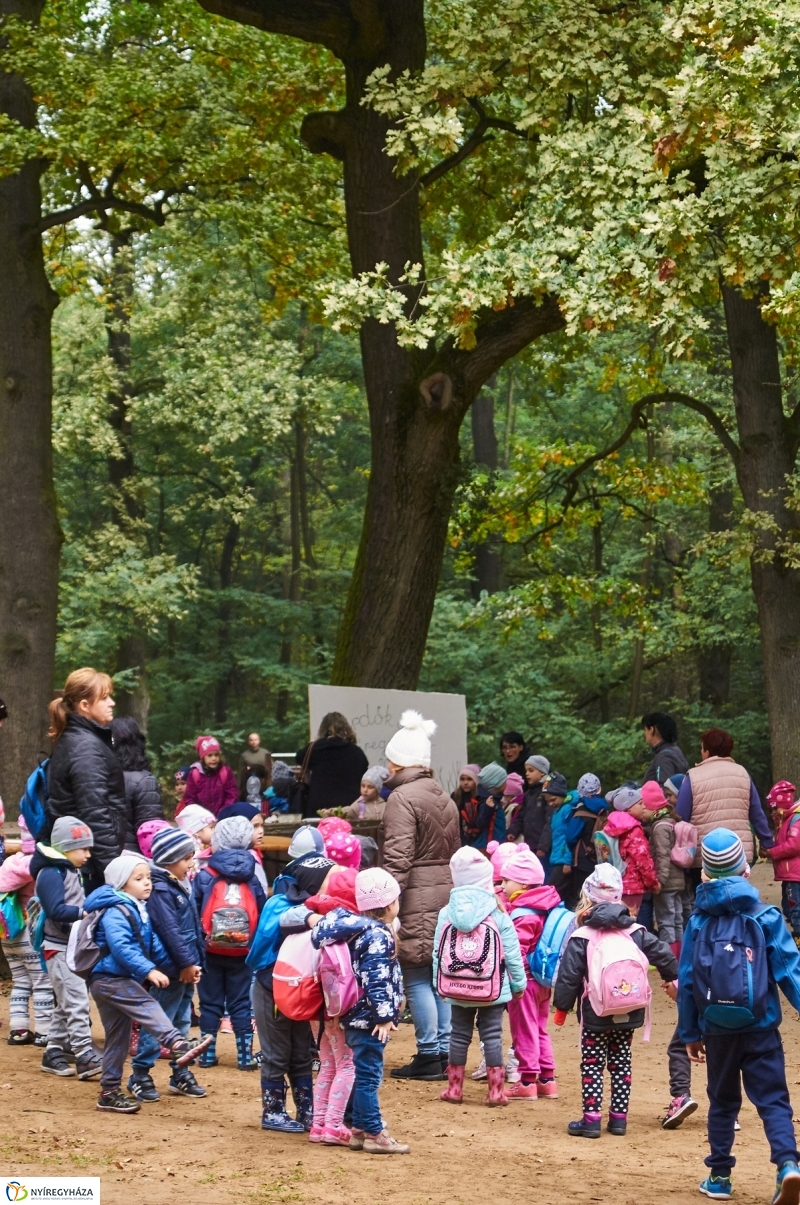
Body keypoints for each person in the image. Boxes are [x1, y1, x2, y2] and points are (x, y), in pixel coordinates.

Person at [678, 828, 800, 1202]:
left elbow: (686, 983)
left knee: (723, 1101)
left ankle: (718, 1176)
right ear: (746, 869)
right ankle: (787, 1165)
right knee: (774, 1099)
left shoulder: (698, 923)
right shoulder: (766, 917)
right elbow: (788, 970)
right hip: (761, 1027)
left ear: (704, 875)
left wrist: (690, 1033)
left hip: (716, 1030)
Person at [554, 863, 678, 1138]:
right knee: (621, 1061)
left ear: (587, 898)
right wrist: (674, 978)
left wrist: (561, 1007)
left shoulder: (582, 936)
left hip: (595, 1012)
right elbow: (664, 955)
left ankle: (591, 1119)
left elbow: (569, 976)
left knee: (592, 1063)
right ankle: (619, 1120)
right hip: (630, 1008)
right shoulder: (636, 931)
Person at [83, 853, 213, 1113]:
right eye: (138, 878)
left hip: (118, 979)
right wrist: (149, 970)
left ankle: (108, 1092)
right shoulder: (115, 910)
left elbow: (154, 947)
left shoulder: (137, 909)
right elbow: (122, 947)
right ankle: (178, 1045)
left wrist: (178, 970)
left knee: (117, 1039)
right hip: (109, 979)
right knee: (147, 1003)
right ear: (121, 883)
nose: (147, 883)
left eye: (148, 878)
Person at [381, 710, 461, 1082]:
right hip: (445, 890)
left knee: (414, 972)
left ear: (399, 761)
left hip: (414, 892)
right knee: (438, 974)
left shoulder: (401, 798)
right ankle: (445, 1051)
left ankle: (428, 1053)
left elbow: (398, 854)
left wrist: (387, 903)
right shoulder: (445, 797)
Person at [312, 867, 409, 1154]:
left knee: (360, 1071)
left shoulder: (354, 932)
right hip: (369, 1018)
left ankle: (355, 1126)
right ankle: (373, 1133)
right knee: (369, 1075)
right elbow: (376, 976)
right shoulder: (377, 934)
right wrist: (384, 1015)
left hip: (352, 1013)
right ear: (390, 903)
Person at [248, 849, 335, 1133]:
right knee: (276, 1053)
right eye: (328, 878)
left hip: (302, 993)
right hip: (270, 989)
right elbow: (284, 921)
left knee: (301, 1053)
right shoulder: (279, 904)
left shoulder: (327, 908)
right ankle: (272, 1111)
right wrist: (310, 918)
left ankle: (307, 1109)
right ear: (313, 883)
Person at [434, 847, 526, 1108]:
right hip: (492, 987)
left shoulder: (446, 913)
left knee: (458, 1035)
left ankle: (454, 1089)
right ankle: (496, 1092)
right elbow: (512, 953)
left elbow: (437, 953)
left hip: (455, 986)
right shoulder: (497, 912)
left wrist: (437, 983)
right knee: (493, 1035)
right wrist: (518, 984)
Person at [127, 827, 207, 1102]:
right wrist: (185, 963)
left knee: (182, 1021)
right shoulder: (161, 889)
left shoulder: (180, 882)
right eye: (186, 858)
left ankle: (180, 1072)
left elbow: (190, 928)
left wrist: (195, 962)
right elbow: (168, 930)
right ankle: (140, 1074)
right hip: (169, 969)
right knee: (159, 1023)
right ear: (169, 859)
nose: (191, 863)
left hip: (185, 968)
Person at [192, 816, 266, 1070]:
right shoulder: (252, 874)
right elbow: (260, 908)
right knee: (240, 1002)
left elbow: (194, 911)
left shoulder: (205, 874)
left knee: (210, 1001)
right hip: (243, 951)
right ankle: (245, 1057)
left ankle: (207, 1054)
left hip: (210, 950)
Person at [31, 816, 102, 1080]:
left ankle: (53, 1051)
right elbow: (56, 910)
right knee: (77, 1002)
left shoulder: (71, 870)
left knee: (66, 1002)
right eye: (83, 848)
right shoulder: (51, 872)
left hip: (71, 948)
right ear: (64, 847)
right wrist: (84, 913)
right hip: (56, 947)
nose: (88, 854)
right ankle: (84, 1054)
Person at [47, 668, 126, 891]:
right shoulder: (86, 748)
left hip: (85, 861)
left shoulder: (79, 739)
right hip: (89, 867)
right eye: (104, 698)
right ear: (84, 705)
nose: (111, 703)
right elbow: (95, 814)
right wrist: (115, 873)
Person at [301, 868, 359, 1145]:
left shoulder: (316, 919)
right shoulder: (346, 927)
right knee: (346, 1065)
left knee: (327, 1064)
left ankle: (319, 1123)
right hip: (337, 1009)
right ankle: (334, 1124)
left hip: (315, 1006)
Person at [500, 846, 562, 1099]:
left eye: (506, 880)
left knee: (523, 1030)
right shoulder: (545, 906)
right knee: (539, 1028)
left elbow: (516, 951)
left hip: (523, 982)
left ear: (523, 885)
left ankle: (526, 1082)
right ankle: (547, 1079)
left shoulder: (524, 914)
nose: (502, 886)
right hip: (543, 980)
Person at [675, 727, 773, 870]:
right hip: (738, 853)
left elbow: (681, 817)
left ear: (707, 752)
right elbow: (756, 813)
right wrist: (767, 842)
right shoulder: (742, 773)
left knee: (705, 892)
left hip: (705, 854)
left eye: (702, 749)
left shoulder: (693, 777)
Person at [0, 820, 53, 1046]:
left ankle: (19, 1029)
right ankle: (43, 1031)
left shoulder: (10, 863)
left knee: (21, 981)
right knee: (43, 983)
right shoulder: (37, 864)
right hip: (30, 932)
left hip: (8, 932)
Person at [601, 787, 660, 916]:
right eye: (639, 804)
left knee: (617, 919)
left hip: (615, 881)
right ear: (628, 808)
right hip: (632, 886)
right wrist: (653, 883)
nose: (644, 807)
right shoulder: (634, 830)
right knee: (630, 921)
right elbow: (643, 859)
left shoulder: (611, 826)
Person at [296, 713, 369, 817]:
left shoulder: (315, 749)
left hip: (318, 810)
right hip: (349, 809)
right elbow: (364, 768)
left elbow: (299, 757)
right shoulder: (357, 752)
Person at [645, 780, 687, 960]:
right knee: (677, 919)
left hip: (667, 882)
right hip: (677, 880)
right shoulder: (670, 821)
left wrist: (659, 881)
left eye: (643, 807)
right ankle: (679, 956)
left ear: (652, 809)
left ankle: (669, 958)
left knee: (666, 922)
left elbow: (662, 855)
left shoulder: (659, 827)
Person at [110, 716, 164, 853]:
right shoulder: (145, 781)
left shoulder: (99, 776)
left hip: (104, 855)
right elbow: (151, 833)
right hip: (134, 862)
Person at [765, 781, 800, 951]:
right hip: (789, 876)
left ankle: (799, 943)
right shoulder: (784, 822)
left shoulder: (796, 819)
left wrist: (772, 852)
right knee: (788, 908)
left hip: (796, 877)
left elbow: (794, 845)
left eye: (774, 809)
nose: (772, 813)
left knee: (796, 910)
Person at [183, 736, 238, 818]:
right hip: (201, 820)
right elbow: (189, 798)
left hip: (223, 817)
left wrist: (224, 811)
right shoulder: (195, 774)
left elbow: (232, 794)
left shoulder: (225, 772)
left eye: (216, 755)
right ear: (202, 757)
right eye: (210, 755)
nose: (214, 758)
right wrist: (198, 814)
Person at [459, 762, 508, 848]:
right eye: (504, 782)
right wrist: (488, 809)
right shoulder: (486, 801)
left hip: (495, 845)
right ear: (496, 783)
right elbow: (480, 823)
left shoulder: (494, 800)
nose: (507, 784)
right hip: (487, 847)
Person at [508, 755, 551, 848]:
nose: (527, 774)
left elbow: (550, 821)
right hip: (529, 844)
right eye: (526, 770)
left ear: (542, 773)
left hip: (542, 847)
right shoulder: (529, 794)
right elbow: (521, 815)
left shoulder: (548, 793)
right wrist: (513, 830)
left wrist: (543, 846)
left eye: (531, 770)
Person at [641, 711, 689, 785]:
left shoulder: (664, 757)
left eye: (645, 730)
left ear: (651, 730)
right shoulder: (674, 750)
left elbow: (664, 789)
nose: (645, 734)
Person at [238, 733, 272, 801]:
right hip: (250, 785)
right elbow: (240, 773)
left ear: (259, 741)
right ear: (248, 742)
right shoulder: (244, 755)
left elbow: (271, 768)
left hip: (264, 784)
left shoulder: (265, 753)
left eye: (255, 740)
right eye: (251, 740)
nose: (254, 742)